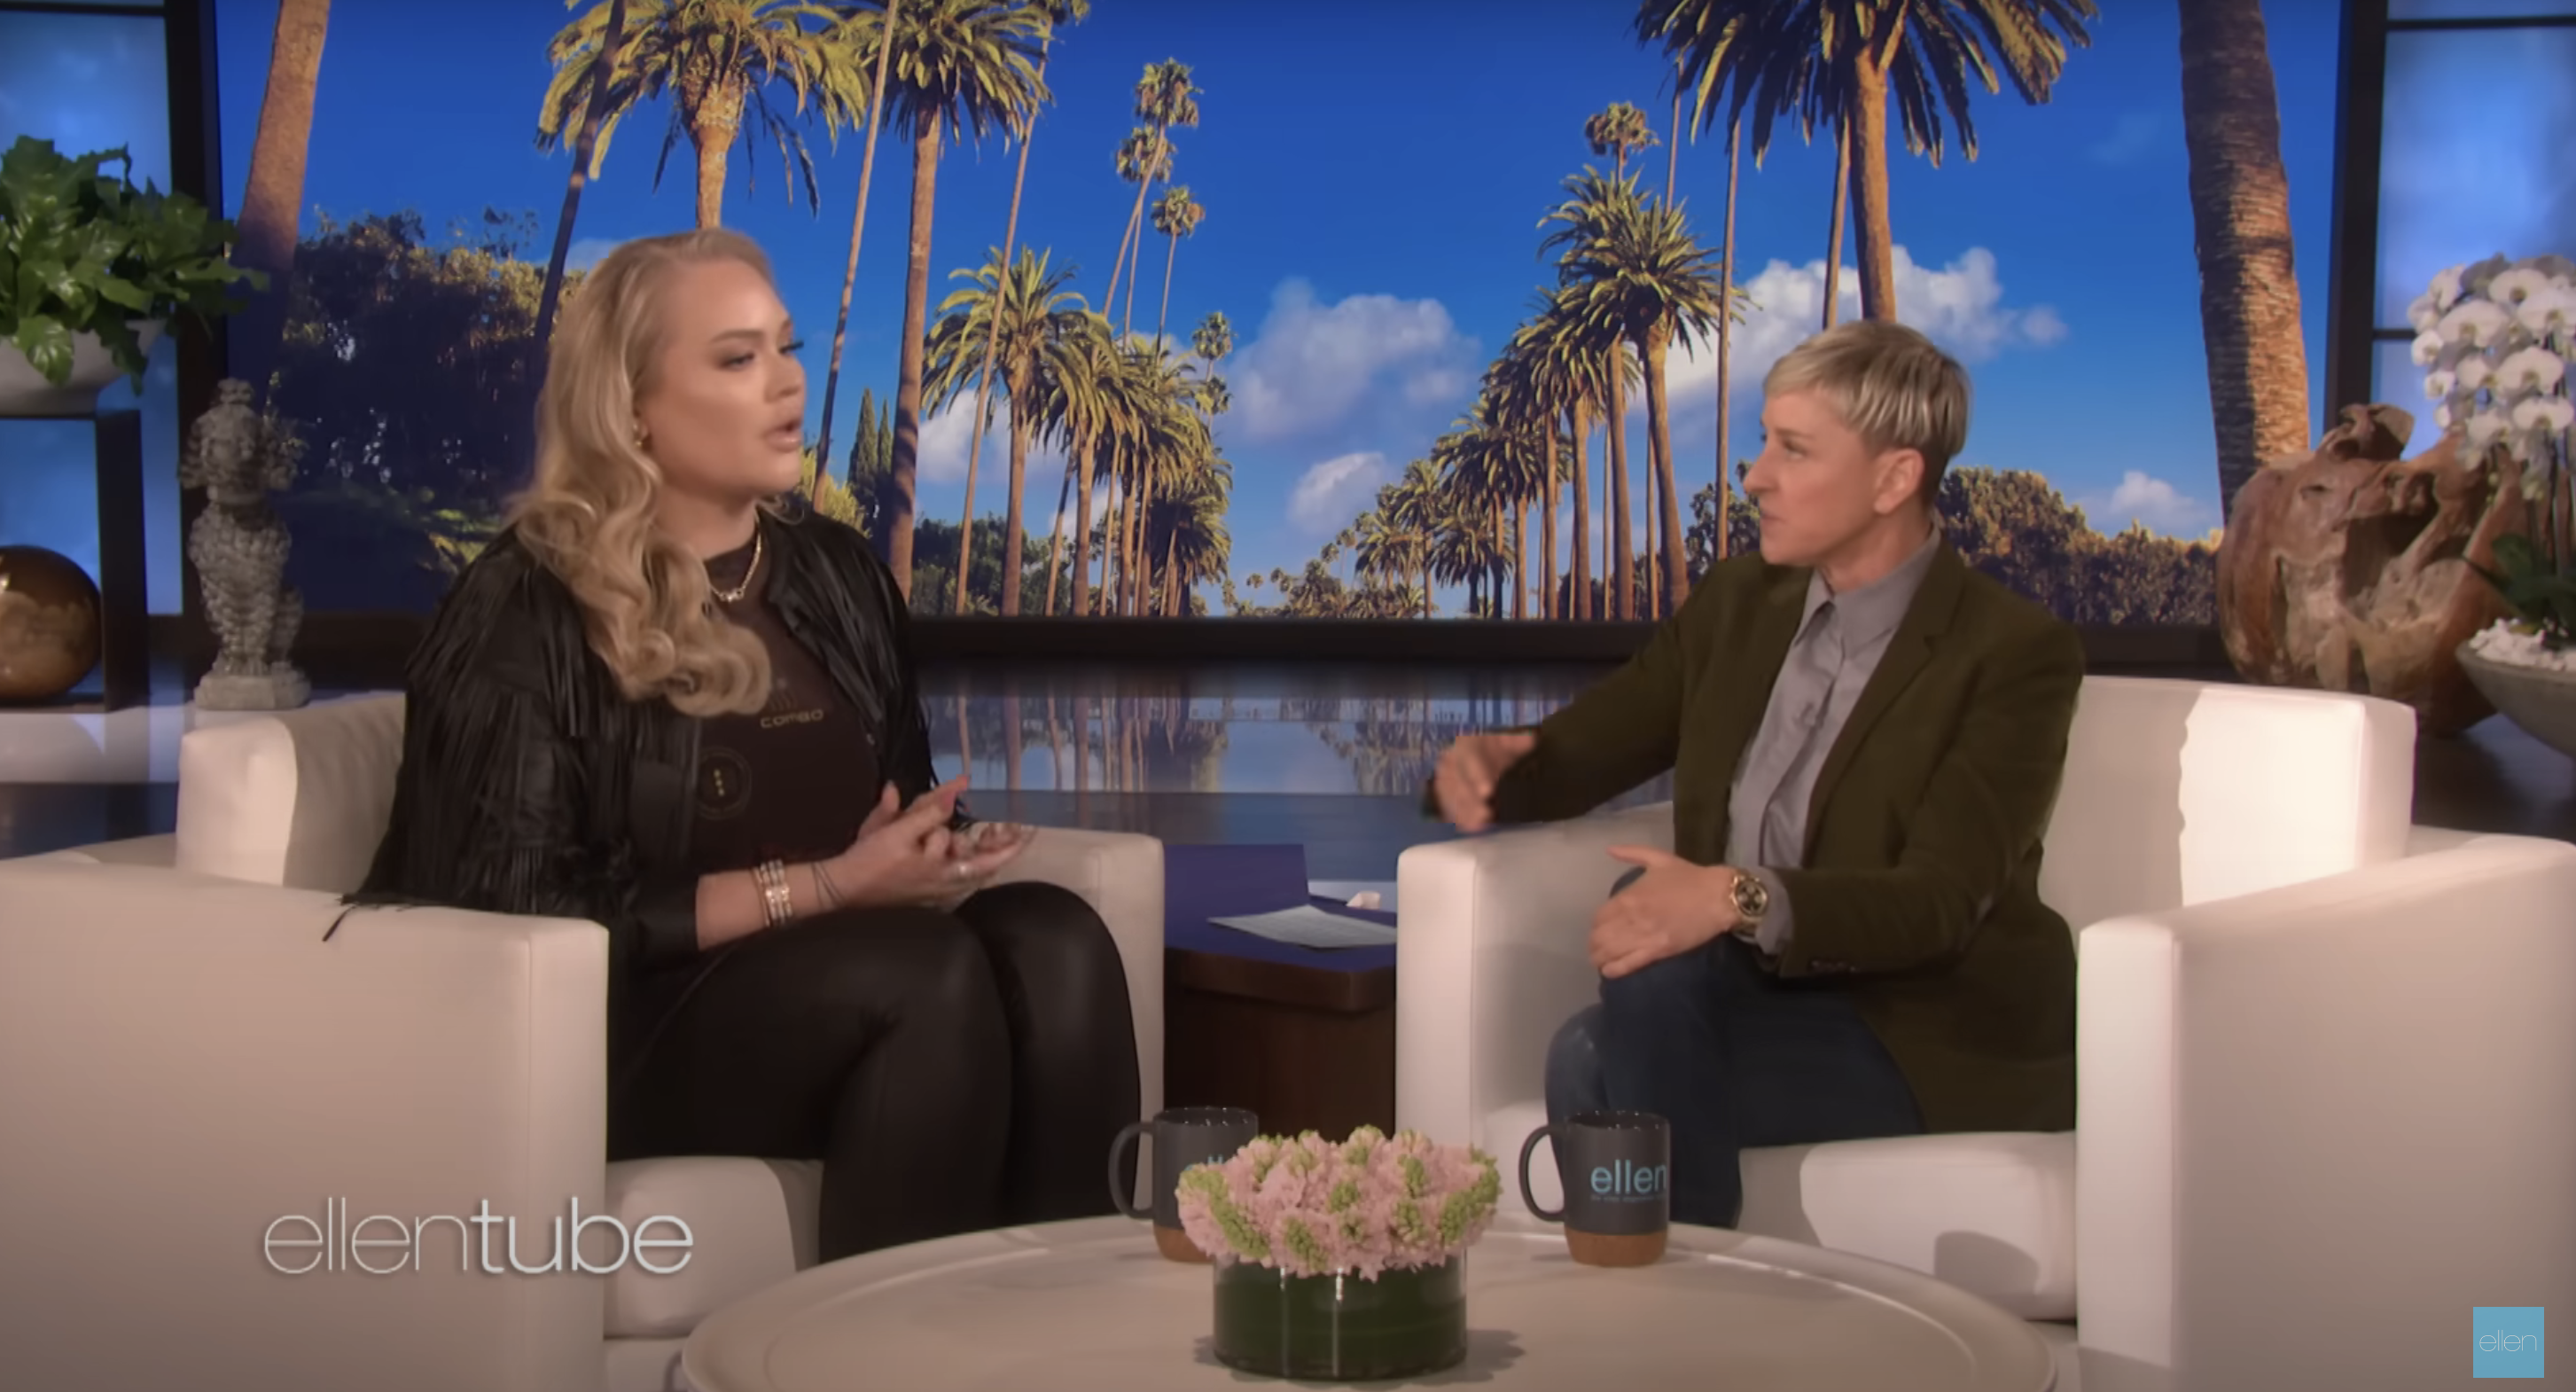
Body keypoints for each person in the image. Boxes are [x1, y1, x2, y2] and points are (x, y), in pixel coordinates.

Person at [350, 228, 1141, 1262]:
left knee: (1055, 938)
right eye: (736, 358)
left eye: (786, 346)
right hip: (608, 1026)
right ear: (630, 407)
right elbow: (513, 907)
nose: (785, 384)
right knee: (925, 974)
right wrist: (824, 888)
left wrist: (926, 852)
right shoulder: (523, 602)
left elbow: (896, 788)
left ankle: (1063, 1339)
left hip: (837, 967)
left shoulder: (835, 572)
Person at [1427, 320, 2084, 1229]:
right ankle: (1685, 1324)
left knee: (1589, 1054)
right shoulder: (1741, 603)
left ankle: (1659, 1317)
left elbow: (1938, 900)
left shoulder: (2009, 653)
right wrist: (1487, 770)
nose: (1753, 476)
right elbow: (1592, 747)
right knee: (1631, 967)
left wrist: (1737, 896)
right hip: (1731, 996)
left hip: (1916, 1029)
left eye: (1792, 449)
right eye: (1761, 443)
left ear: (1893, 478)